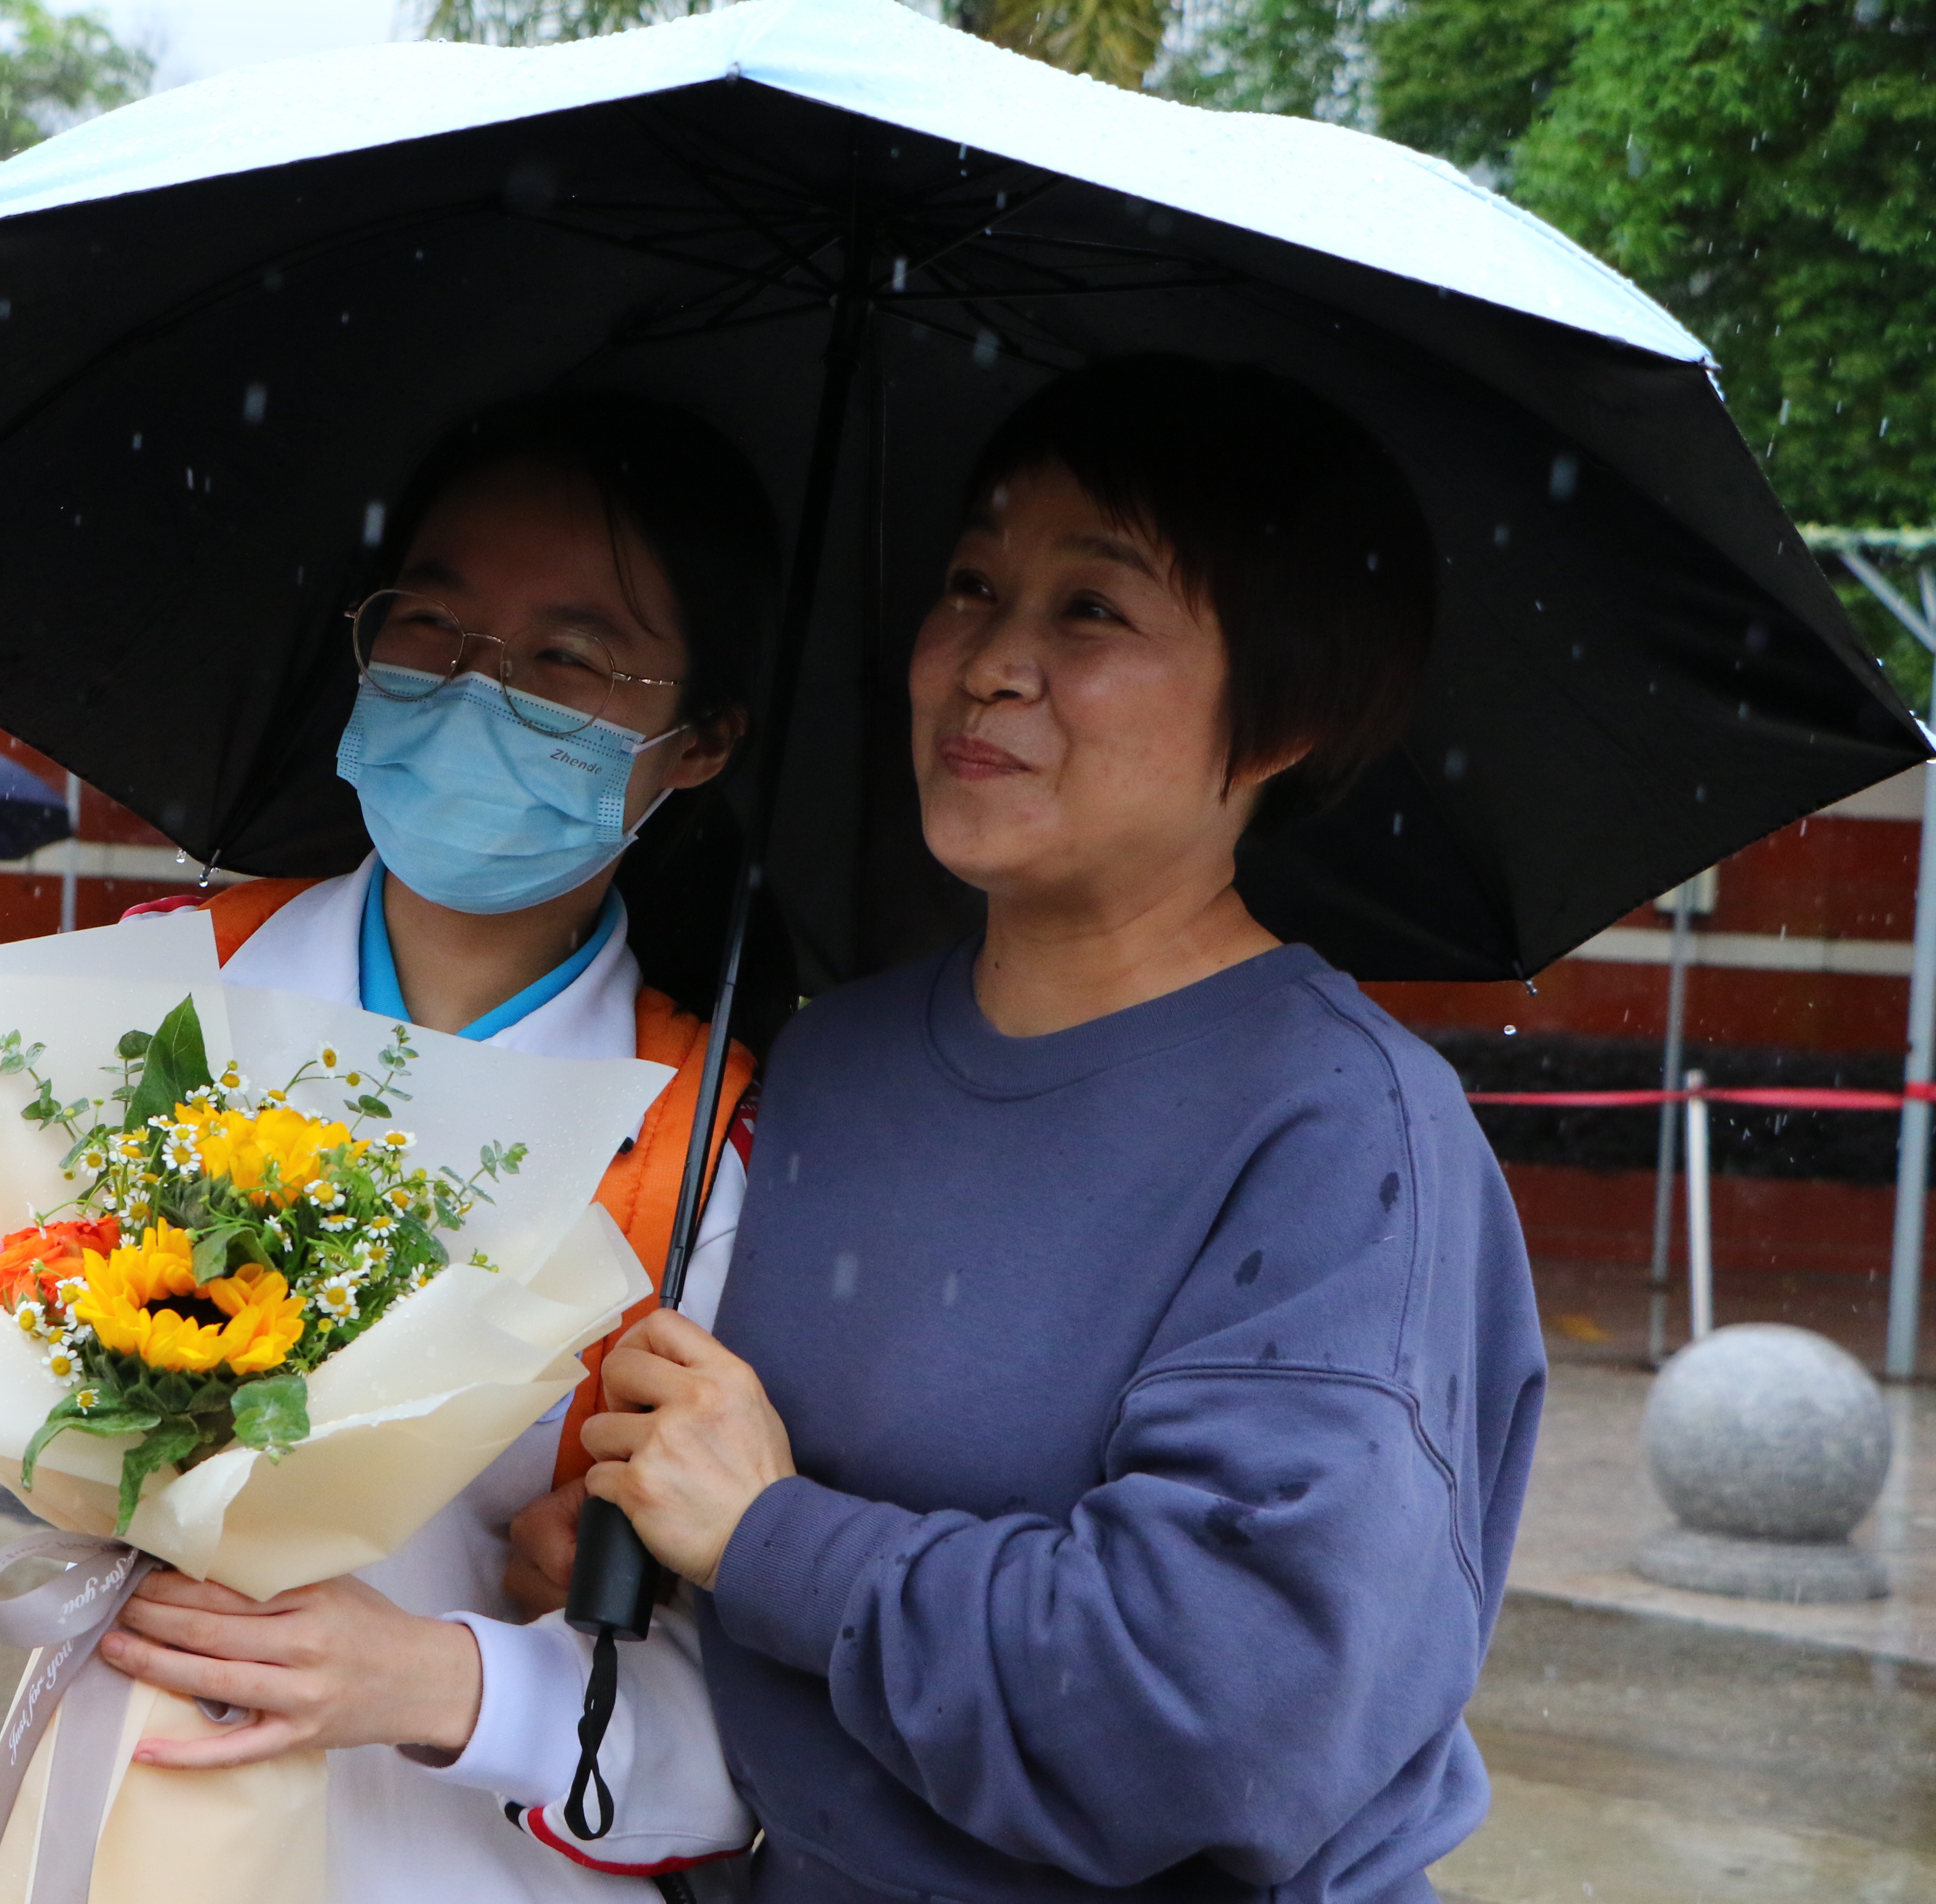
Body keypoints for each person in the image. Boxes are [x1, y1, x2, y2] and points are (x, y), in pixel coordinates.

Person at [541, 358, 1549, 1903]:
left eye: (1094, 609)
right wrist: (627, 1566)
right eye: (970, 584)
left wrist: (767, 1542)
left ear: (1289, 715)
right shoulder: (830, 1059)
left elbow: (1204, 1711)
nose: (988, 662)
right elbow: (728, 1578)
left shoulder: (1348, 1135)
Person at [0, 394, 783, 1898]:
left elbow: (738, 1752)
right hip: (110, 1828)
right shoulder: (177, 985)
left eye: (567, 657)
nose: (477, 689)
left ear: (700, 749)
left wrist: (443, 1685)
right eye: (431, 625)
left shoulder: (706, 1150)